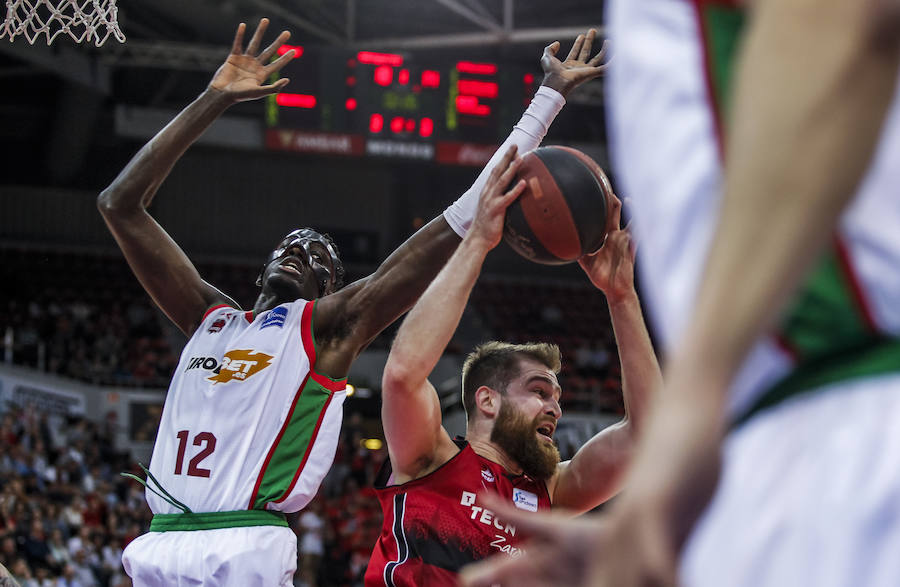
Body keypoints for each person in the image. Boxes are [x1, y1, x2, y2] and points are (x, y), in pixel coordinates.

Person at [97, 17, 606, 587]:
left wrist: (548, 99)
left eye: (318, 258)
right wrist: (212, 99)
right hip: (159, 540)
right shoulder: (207, 319)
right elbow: (120, 205)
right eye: (290, 246)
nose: (299, 252)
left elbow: (463, 214)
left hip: (241, 546)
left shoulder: (326, 330)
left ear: (332, 290)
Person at [460, 0, 900, 586]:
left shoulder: (544, 480)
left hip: (838, 397)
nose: (556, 407)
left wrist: (697, 398)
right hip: (790, 426)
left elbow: (839, 28)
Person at [364, 109, 661, 584]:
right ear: (487, 399)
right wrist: (479, 240)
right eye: (540, 391)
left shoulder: (553, 491)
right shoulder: (428, 459)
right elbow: (402, 374)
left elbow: (650, 437)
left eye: (557, 398)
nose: (555, 409)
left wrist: (622, 297)